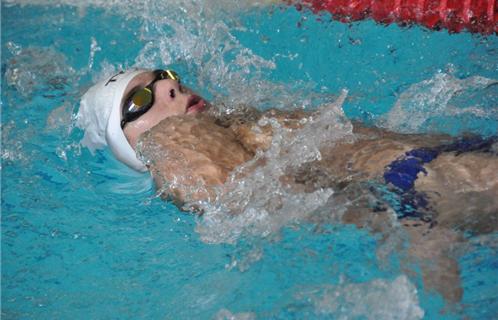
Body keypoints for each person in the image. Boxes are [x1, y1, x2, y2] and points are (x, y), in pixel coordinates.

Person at [77, 68, 498, 303]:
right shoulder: (170, 139)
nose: (170, 85)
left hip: (438, 172)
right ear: (127, 144)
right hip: (429, 184)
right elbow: (242, 202)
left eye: (163, 75)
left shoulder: (243, 122)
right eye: (139, 101)